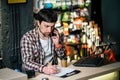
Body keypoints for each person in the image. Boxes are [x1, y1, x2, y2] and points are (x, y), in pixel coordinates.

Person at [20, 9, 66, 75]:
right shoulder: (28, 38)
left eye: (52, 26)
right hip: (36, 74)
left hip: (53, 73)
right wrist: (44, 69)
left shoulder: (55, 33)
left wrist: (57, 45)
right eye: (46, 26)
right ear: (38, 23)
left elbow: (63, 57)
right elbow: (27, 62)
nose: (49, 30)